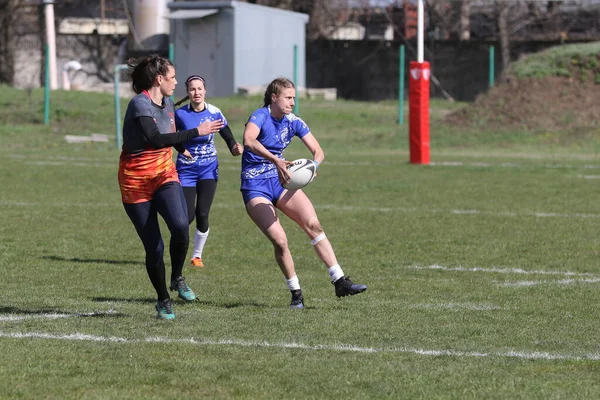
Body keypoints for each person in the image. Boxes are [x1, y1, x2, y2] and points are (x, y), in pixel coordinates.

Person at [240, 77, 367, 309]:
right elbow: (248, 140)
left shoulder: (293, 121)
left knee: (314, 224)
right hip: (255, 185)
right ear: (274, 97)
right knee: (280, 241)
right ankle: (296, 293)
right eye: (288, 98)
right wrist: (275, 159)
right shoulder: (260, 116)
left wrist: (313, 167)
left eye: (294, 98)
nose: (292, 102)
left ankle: (340, 280)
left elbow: (318, 151)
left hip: (282, 182)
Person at [118, 55, 224, 319]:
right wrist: (196, 132)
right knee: (154, 248)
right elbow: (154, 138)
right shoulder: (139, 104)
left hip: (165, 173)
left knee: (180, 226)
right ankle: (163, 299)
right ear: (159, 79)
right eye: (173, 77)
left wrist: (181, 148)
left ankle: (176, 278)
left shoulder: (166, 103)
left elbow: (168, 132)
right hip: (136, 183)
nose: (176, 82)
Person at [173, 75, 243, 268]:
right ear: (187, 92)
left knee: (203, 213)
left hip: (208, 170)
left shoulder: (214, 112)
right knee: (186, 217)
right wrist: (182, 150)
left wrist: (234, 148)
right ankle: (176, 251)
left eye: (199, 88)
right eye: (192, 89)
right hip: (186, 170)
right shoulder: (180, 115)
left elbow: (227, 136)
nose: (196, 92)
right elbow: (173, 137)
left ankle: (197, 256)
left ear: (205, 90)